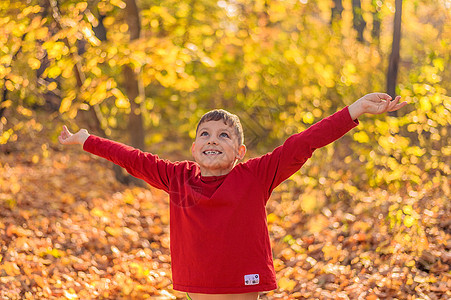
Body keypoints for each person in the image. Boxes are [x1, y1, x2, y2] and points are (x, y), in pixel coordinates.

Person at [59, 93, 406, 300]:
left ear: (239, 151)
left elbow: (304, 143)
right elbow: (132, 158)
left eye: (223, 135)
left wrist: (354, 110)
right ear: (193, 148)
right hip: (199, 283)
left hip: (244, 283)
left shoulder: (256, 175)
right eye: (205, 134)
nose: (213, 139)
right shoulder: (177, 176)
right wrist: (87, 140)